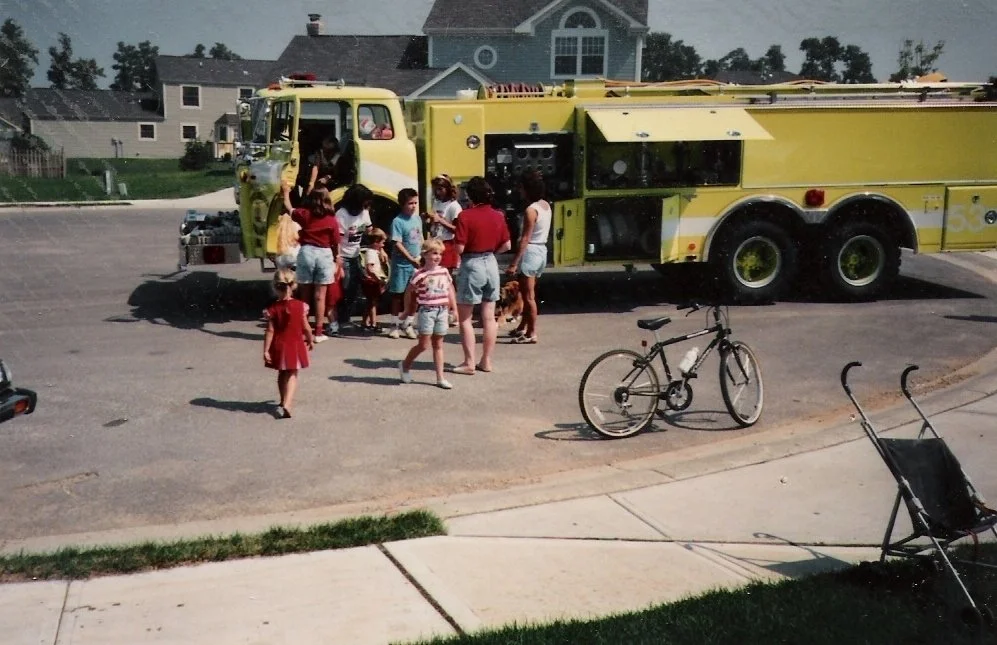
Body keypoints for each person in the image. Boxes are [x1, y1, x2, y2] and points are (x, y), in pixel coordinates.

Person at [451, 176, 511, 375]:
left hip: (472, 264)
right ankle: (486, 360)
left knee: (465, 318)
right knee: (489, 317)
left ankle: (469, 362)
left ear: (469, 195)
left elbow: (459, 248)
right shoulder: (498, 215)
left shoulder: (465, 217)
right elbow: (507, 245)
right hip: (491, 263)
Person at [282, 181, 342, 342]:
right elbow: (336, 242)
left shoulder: (305, 214)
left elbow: (289, 208)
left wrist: (286, 192)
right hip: (324, 254)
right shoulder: (331, 219)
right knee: (320, 296)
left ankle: (301, 328)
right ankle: (318, 332)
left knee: (304, 294)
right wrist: (337, 259)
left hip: (306, 252)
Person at [399, 238, 457, 390]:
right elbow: (409, 292)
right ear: (425, 255)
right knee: (423, 345)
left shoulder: (444, 271)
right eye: (434, 253)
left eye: (439, 254)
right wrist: (406, 310)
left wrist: (454, 308)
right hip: (427, 311)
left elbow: (450, 290)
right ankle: (405, 365)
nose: (437, 257)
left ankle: (440, 377)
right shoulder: (419, 274)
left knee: (438, 344)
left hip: (442, 311)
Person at [505, 170, 551, 344]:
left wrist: (514, 263)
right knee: (527, 294)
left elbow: (525, 238)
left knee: (529, 297)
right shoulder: (545, 205)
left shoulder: (530, 210)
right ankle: (522, 326)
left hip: (530, 252)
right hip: (541, 251)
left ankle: (531, 333)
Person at [263, 267, 314, 419]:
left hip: (278, 346)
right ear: (293, 285)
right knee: (292, 373)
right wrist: (310, 340)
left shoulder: (272, 309)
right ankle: (288, 403)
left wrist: (266, 350)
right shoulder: (301, 306)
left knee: (281, 373)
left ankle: (282, 399)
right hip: (295, 345)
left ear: (275, 286)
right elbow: (306, 327)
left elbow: (270, 331)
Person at [334, 184, 374, 331]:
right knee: (344, 288)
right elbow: (337, 239)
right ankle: (340, 319)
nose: (366, 206)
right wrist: (337, 257)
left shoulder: (364, 212)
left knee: (354, 288)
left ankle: (346, 318)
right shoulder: (342, 214)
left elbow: (369, 230)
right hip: (344, 256)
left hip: (357, 255)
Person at [386, 187, 424, 339]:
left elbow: (420, 237)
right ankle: (393, 325)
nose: (413, 206)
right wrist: (410, 259)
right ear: (402, 204)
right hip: (402, 264)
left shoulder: (417, 219)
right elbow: (397, 243)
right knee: (398, 294)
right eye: (410, 203)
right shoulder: (398, 221)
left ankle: (407, 323)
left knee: (415, 294)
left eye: (415, 203)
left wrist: (422, 254)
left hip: (416, 262)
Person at [428, 173, 462, 325]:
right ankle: (443, 309)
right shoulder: (437, 203)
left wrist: (440, 220)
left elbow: (457, 229)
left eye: (441, 188)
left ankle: (452, 311)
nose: (438, 191)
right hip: (436, 242)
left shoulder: (454, 206)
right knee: (438, 278)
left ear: (448, 189)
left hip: (448, 244)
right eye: (436, 188)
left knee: (447, 279)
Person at [360, 227, 390, 331]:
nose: (383, 245)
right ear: (376, 242)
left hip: (371, 280)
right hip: (372, 281)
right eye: (382, 242)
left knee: (370, 302)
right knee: (373, 303)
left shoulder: (373, 251)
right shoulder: (371, 253)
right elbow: (370, 269)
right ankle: (373, 323)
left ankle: (365, 322)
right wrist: (379, 280)